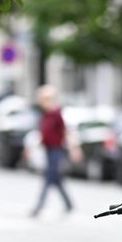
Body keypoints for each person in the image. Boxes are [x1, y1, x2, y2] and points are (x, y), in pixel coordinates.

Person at [30, 85, 73, 217]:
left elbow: (65, 131)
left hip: (56, 149)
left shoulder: (56, 114)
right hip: (48, 149)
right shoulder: (45, 114)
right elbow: (44, 132)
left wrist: (73, 148)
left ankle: (38, 207)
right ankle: (68, 204)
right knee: (56, 179)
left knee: (49, 177)